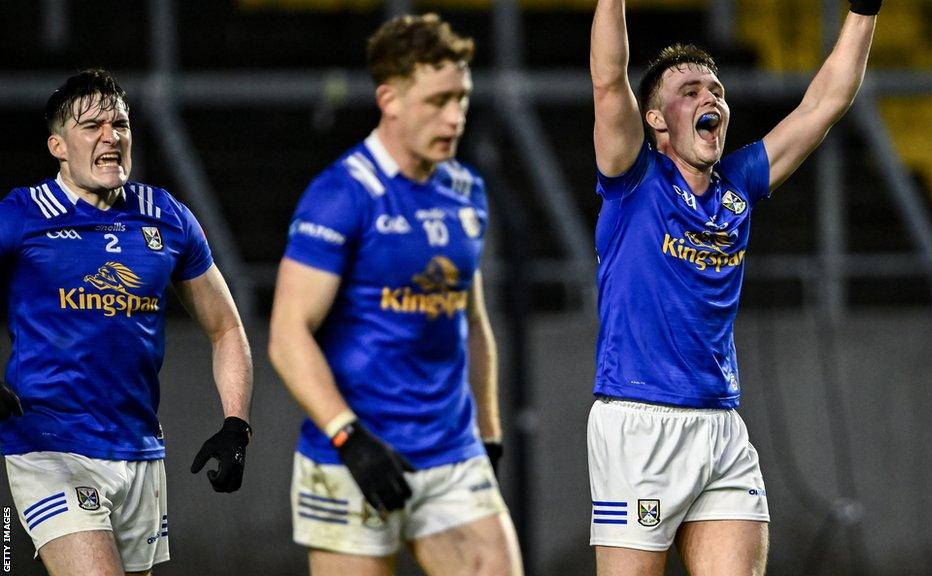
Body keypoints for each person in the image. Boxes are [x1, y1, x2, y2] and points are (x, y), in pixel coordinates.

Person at [587, 1, 881, 574]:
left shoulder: (737, 184)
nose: (710, 99)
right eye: (690, 90)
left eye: (716, 90)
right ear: (655, 120)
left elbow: (825, 102)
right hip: (638, 422)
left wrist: (864, 9)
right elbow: (606, 79)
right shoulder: (633, 179)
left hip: (721, 427)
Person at [268, 13, 522, 576]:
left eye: (462, 98)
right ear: (390, 99)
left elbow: (472, 322)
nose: (455, 116)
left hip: (451, 453)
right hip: (350, 458)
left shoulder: (465, 190)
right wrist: (348, 436)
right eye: (438, 100)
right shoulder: (341, 195)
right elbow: (288, 335)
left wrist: (490, 434)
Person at [0, 69, 254, 576]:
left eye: (119, 124)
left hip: (139, 449)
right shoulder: (21, 214)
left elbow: (226, 327)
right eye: (91, 126)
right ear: (58, 145)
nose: (110, 137)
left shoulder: (166, 217)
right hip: (49, 445)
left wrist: (236, 425)